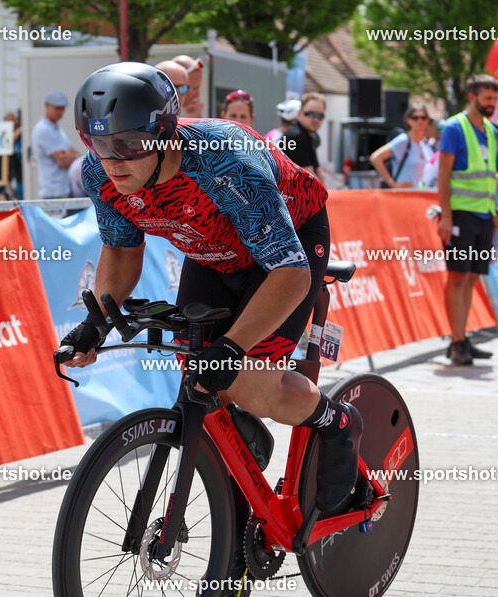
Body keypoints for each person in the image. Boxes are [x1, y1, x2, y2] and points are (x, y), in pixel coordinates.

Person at [61, 62, 364, 523]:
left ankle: (338, 422)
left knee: (251, 385)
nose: (114, 160)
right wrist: (95, 323)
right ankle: (241, 469)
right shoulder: (101, 174)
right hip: (214, 254)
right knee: (199, 375)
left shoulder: (224, 158)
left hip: (287, 251)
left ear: (163, 134)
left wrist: (232, 348)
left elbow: (289, 274)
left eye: (127, 144)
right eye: (99, 143)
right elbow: (121, 253)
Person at [437, 74, 498, 365]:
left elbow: (487, 174)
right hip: (460, 214)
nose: (492, 105)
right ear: (472, 97)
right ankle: (457, 341)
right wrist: (445, 215)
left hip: (484, 214)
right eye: (487, 99)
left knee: (472, 278)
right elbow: (443, 174)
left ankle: (462, 339)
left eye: (495, 99)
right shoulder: (454, 128)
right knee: (458, 276)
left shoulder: (490, 130)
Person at [370, 104, 433, 189]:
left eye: (423, 117)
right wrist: (392, 183)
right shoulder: (404, 140)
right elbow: (375, 158)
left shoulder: (425, 144)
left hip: (420, 196)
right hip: (403, 196)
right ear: (408, 120)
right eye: (415, 118)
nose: (420, 121)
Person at [31, 90, 78, 199]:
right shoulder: (43, 129)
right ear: (46, 105)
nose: (60, 112)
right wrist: (77, 158)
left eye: (63, 109)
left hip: (63, 190)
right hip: (53, 193)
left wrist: (74, 157)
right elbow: (65, 161)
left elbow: (73, 153)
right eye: (57, 108)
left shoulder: (58, 129)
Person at [283, 92, 326, 185]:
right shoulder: (296, 136)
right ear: (299, 114)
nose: (315, 119)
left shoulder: (308, 136)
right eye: (310, 114)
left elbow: (318, 171)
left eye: (319, 116)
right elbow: (312, 180)